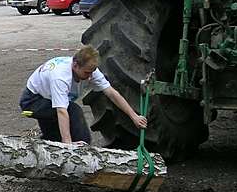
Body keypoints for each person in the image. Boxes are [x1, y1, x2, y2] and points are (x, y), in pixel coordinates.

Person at [19, 45, 147, 144]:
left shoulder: (90, 70)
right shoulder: (60, 77)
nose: (90, 77)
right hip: (32, 101)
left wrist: (134, 116)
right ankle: (83, 150)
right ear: (75, 65)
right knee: (73, 111)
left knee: (54, 137)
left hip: (48, 98)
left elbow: (112, 93)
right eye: (87, 73)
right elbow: (61, 111)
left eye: (92, 72)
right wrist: (68, 145)